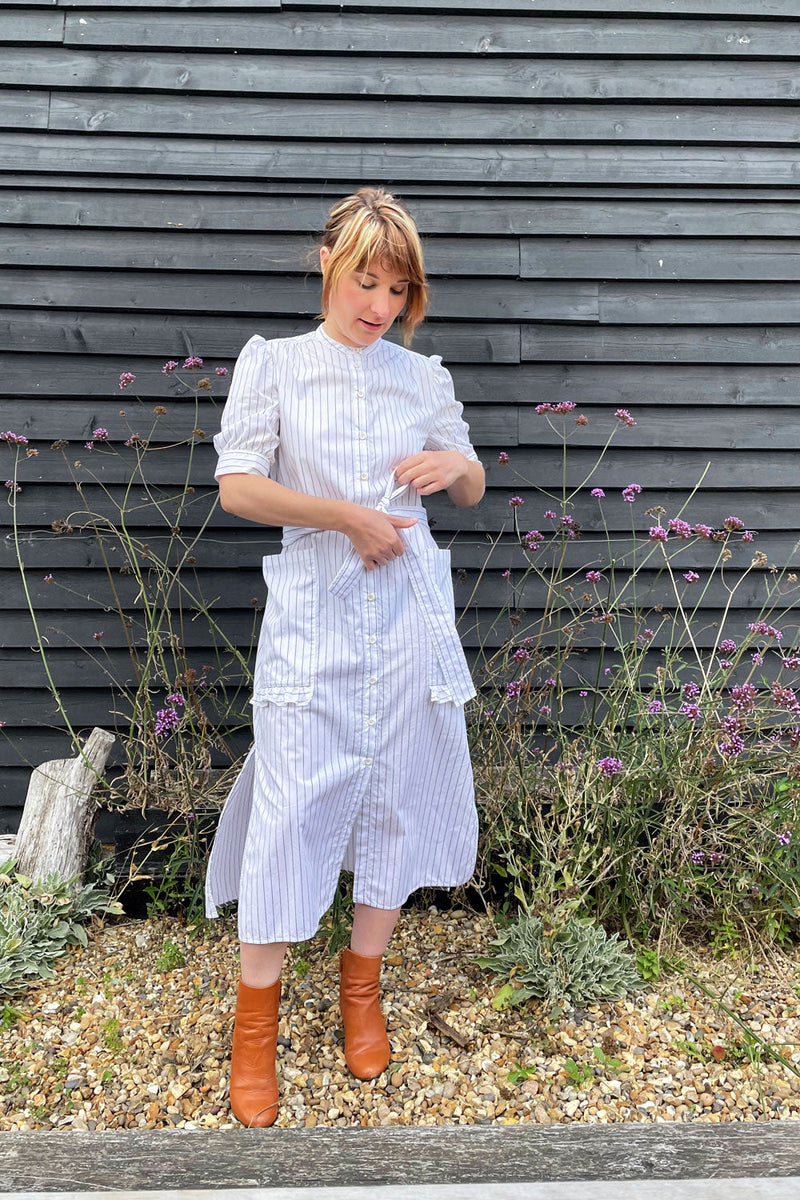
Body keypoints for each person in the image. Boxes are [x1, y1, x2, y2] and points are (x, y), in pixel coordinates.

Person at [204, 186, 486, 1127]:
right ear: (327, 263)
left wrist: (455, 470)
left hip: (409, 623)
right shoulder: (276, 365)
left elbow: (472, 481)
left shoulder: (421, 377)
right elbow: (239, 486)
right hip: (317, 620)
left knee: (396, 798)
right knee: (292, 807)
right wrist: (345, 516)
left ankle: (360, 988)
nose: (380, 306)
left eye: (398, 291)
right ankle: (256, 1026)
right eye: (367, 281)